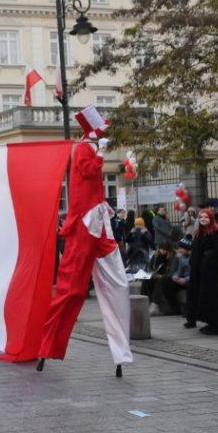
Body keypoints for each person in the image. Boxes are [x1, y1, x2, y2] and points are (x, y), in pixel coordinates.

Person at [37, 107, 132, 375]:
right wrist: (100, 152)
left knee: (118, 282)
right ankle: (48, 346)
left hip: (98, 222)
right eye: (101, 128)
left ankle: (121, 351)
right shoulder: (82, 149)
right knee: (72, 290)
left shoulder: (88, 148)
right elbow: (89, 172)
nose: (105, 132)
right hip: (83, 225)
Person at [185, 208, 218, 335]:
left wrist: (207, 261)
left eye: (206, 217)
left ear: (211, 219)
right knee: (204, 298)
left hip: (212, 273)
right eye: (201, 217)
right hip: (200, 272)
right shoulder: (199, 232)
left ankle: (217, 326)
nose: (203, 219)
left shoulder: (216, 232)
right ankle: (210, 323)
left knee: (214, 298)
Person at [143, 242, 177, 316]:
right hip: (157, 276)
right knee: (146, 281)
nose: (162, 251)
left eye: (165, 250)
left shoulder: (173, 258)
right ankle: (145, 302)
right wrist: (151, 273)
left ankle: (154, 305)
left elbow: (171, 272)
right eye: (161, 249)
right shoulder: (156, 256)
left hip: (166, 278)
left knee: (160, 282)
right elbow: (150, 267)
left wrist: (161, 276)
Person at [168, 238, 192, 316]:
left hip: (190, 279)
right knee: (165, 281)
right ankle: (175, 308)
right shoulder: (182, 257)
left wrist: (186, 279)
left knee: (191, 285)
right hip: (182, 279)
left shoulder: (194, 257)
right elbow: (179, 270)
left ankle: (188, 310)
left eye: (181, 248)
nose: (179, 250)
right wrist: (176, 276)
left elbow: (197, 273)